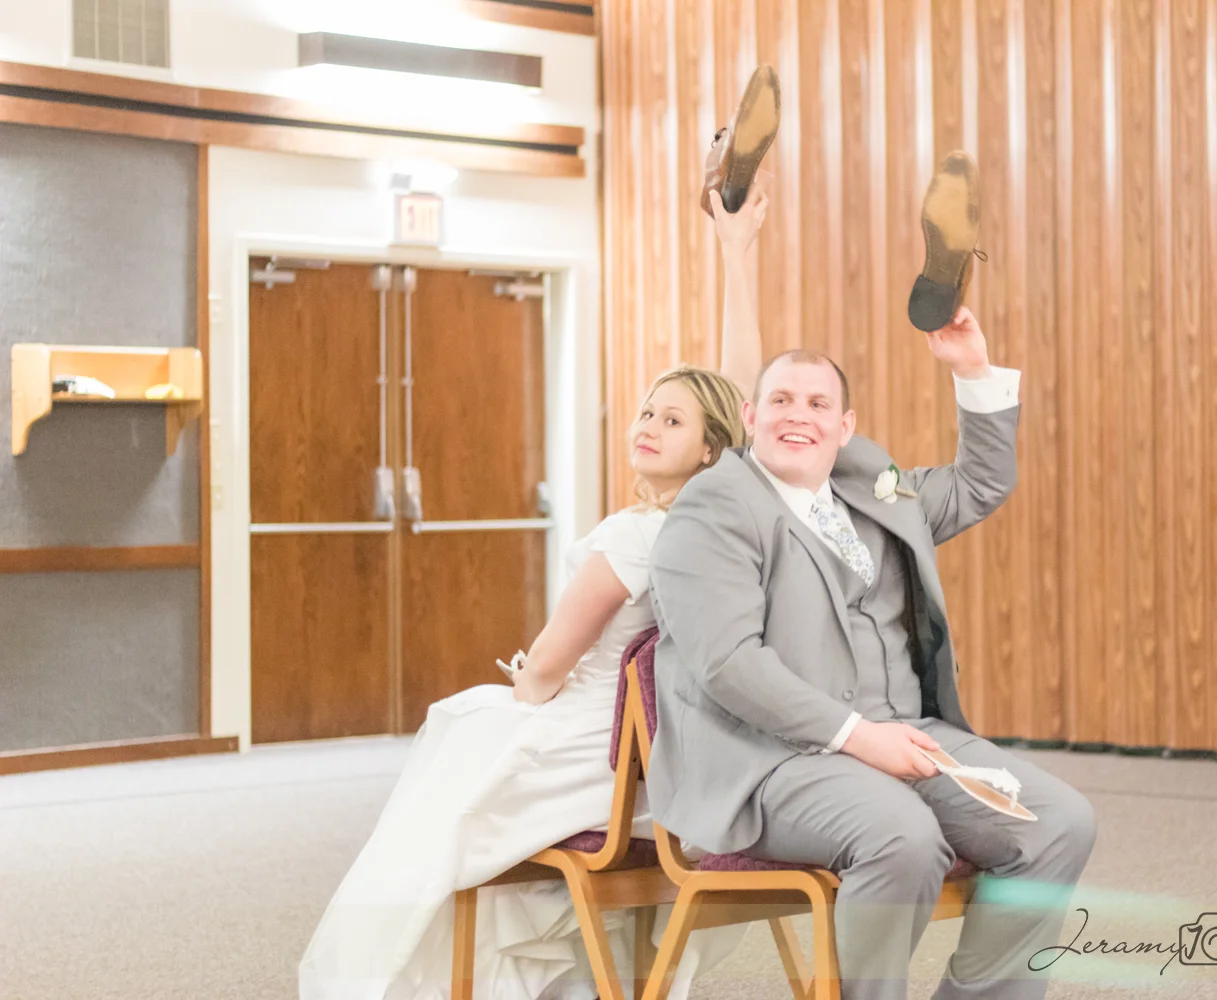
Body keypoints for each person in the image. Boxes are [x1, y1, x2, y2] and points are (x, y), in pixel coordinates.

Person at [298, 178, 772, 1000]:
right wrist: (738, 252)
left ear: (708, 450)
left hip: (590, 754)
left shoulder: (633, 535)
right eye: (646, 411)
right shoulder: (712, 529)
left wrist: (526, 683)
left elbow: (551, 665)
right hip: (660, 765)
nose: (648, 425)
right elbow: (736, 399)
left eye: (671, 421)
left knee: (458, 728)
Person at [646, 156, 1097, 1000]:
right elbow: (728, 664)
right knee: (902, 836)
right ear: (750, 417)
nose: (799, 415)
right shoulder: (717, 506)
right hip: (770, 761)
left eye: (818, 404)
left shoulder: (872, 490)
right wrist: (858, 736)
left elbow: (979, 485)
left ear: (845, 425)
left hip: (908, 735)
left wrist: (970, 368)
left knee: (1061, 823)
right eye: (782, 401)